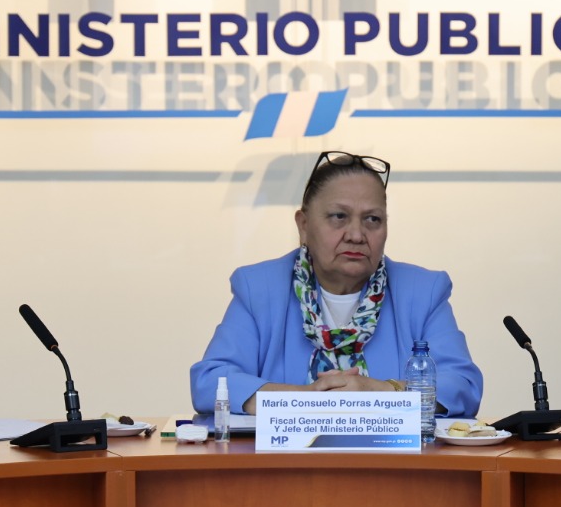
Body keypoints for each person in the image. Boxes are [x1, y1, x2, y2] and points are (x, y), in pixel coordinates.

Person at [191, 151, 482, 417]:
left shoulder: (423, 292)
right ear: (303, 226)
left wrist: (380, 392)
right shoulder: (259, 288)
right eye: (339, 217)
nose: (356, 234)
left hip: (396, 467)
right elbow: (210, 382)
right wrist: (303, 399)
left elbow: (463, 386)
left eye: (372, 219)